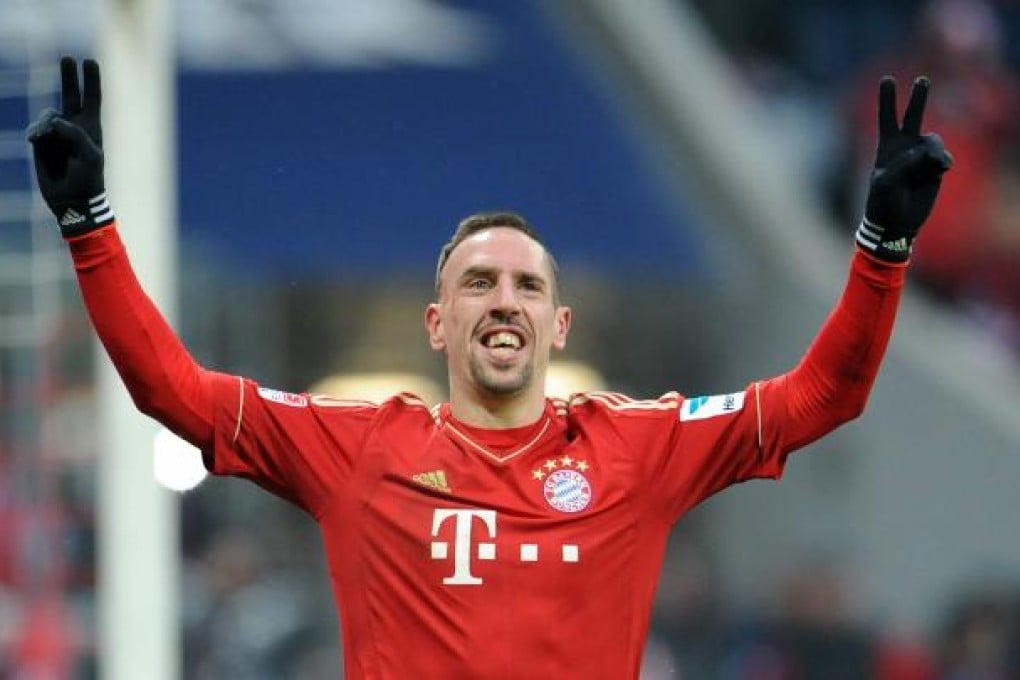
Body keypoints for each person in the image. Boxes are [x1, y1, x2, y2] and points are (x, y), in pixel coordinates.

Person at [26, 57, 951, 678]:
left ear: (557, 323)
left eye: (524, 285)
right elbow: (172, 391)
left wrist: (883, 245)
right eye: (477, 282)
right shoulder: (359, 446)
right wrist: (88, 224)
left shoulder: (637, 445)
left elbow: (826, 395)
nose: (503, 299)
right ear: (438, 323)